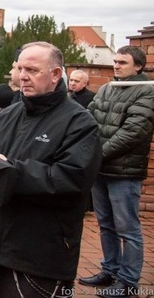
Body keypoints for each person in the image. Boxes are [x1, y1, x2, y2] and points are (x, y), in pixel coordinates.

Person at [0, 42, 101, 297]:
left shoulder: (80, 123)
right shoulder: (10, 114)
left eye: (32, 69)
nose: (22, 76)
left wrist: (8, 172)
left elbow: (71, 179)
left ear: (55, 75)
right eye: (20, 68)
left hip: (39, 253)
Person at [79, 46, 154, 297]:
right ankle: (109, 270)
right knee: (106, 225)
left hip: (124, 172)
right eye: (115, 61)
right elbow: (89, 119)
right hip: (100, 171)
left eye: (122, 62)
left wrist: (97, 154)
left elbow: (133, 132)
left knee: (127, 229)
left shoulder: (147, 91)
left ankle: (128, 281)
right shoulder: (108, 88)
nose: (116, 65)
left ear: (138, 66)